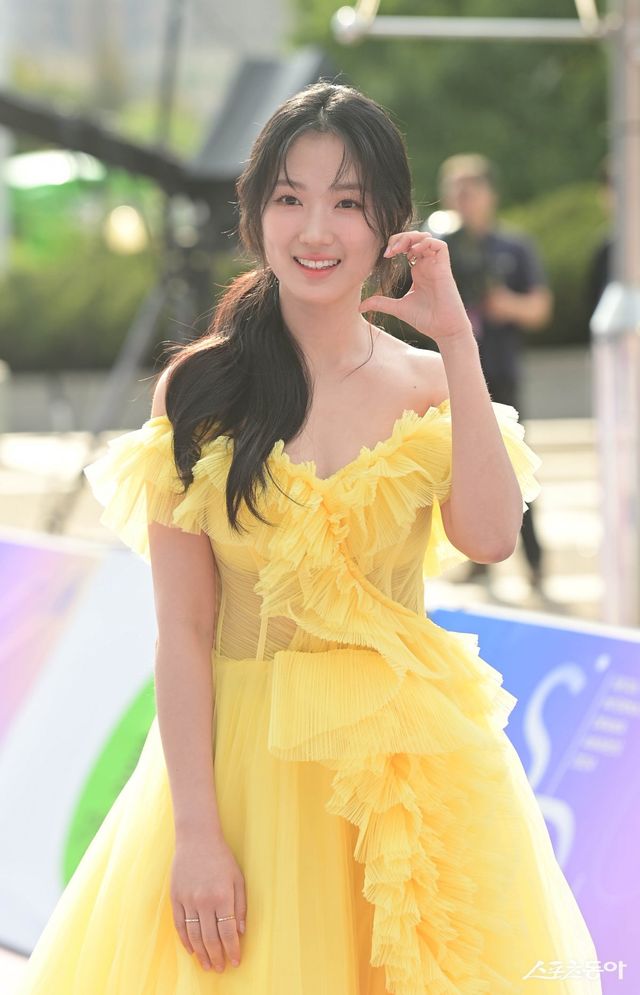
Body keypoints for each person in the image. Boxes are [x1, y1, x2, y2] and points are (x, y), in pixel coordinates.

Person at [18, 82, 601, 994]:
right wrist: (196, 832)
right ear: (255, 215)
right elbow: (182, 631)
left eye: (348, 201)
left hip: (407, 770)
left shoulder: (428, 382)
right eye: (290, 197)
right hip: (246, 771)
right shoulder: (201, 388)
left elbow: (490, 537)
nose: (316, 229)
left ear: (391, 223)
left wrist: (459, 342)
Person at [437, 154, 552, 592]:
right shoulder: (440, 245)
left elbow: (540, 307)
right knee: (462, 470)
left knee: (513, 467)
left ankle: (534, 559)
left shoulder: (513, 246)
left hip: (499, 372)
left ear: (490, 194)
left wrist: (508, 305)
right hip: (452, 376)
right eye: (455, 189)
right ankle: (477, 558)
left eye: (470, 188)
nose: (462, 198)